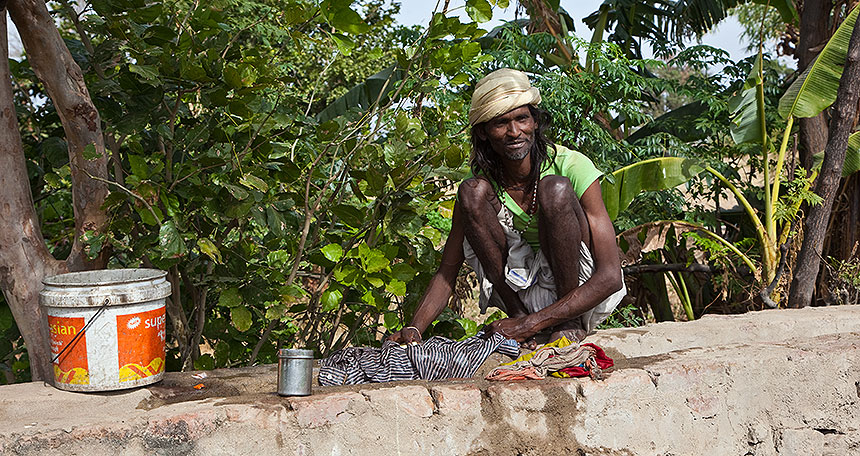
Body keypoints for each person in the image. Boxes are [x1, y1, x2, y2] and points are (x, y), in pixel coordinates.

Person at [389, 68, 626, 348]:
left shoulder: (573, 165)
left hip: (577, 295)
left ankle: (564, 324)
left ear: (535, 122)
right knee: (470, 192)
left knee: (556, 189)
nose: (514, 132)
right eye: (501, 123)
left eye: (522, 119)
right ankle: (518, 314)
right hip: (520, 291)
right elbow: (447, 271)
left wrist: (531, 324)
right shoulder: (481, 183)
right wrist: (414, 328)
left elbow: (610, 277)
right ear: (484, 132)